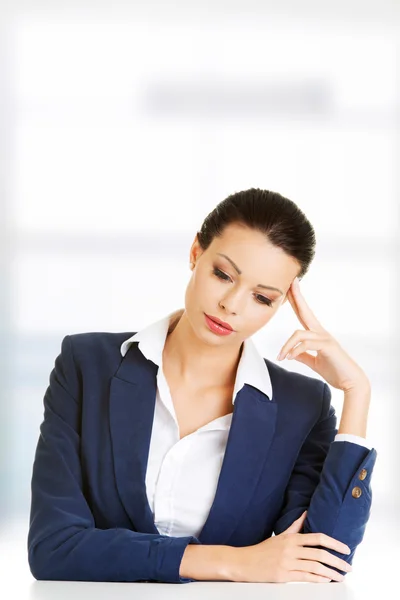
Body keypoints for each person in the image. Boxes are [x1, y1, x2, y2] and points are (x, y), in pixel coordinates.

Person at [27, 188, 376, 584]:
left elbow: (324, 559)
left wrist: (356, 392)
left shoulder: (301, 406)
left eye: (262, 297)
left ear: (280, 305)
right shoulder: (87, 365)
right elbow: (52, 548)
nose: (231, 304)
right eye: (223, 274)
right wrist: (233, 563)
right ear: (196, 253)